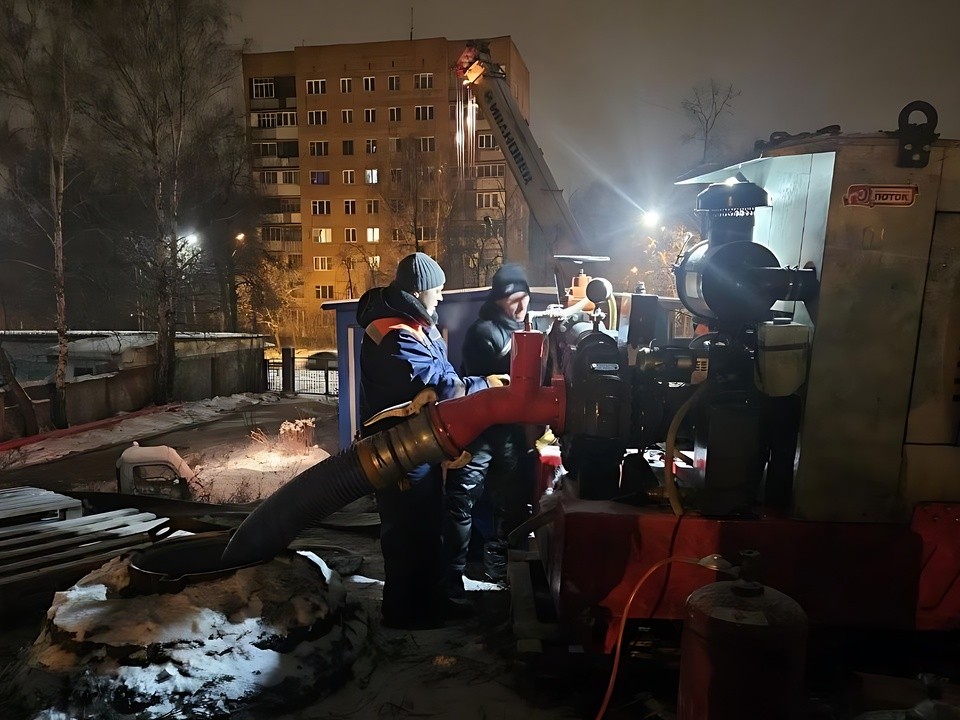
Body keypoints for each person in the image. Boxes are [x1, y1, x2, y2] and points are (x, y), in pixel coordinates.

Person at [356, 252, 506, 629]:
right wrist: (484, 384)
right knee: (407, 532)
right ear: (419, 291)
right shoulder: (393, 335)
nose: (440, 297)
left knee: (425, 529)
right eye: (437, 290)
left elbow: (446, 375)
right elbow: (439, 385)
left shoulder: (418, 326)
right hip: (398, 451)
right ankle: (404, 613)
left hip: (419, 445)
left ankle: (429, 603)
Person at [443, 263, 535, 597]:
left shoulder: (522, 327)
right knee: (462, 498)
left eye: (525, 298)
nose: (522, 306)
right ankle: (453, 577)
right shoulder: (483, 333)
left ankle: (502, 573)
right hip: (480, 432)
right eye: (514, 299)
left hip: (508, 433)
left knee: (511, 504)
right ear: (499, 300)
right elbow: (487, 384)